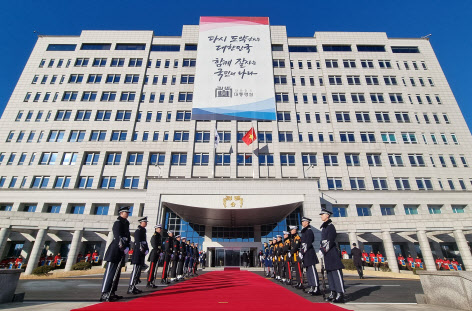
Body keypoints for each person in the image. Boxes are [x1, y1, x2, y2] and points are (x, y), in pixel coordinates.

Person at [100, 206, 131, 302]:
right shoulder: (118, 223)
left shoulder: (126, 223)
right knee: (110, 272)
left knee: (116, 273)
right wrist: (122, 246)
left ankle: (112, 292)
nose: (127, 214)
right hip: (115, 250)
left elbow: (128, 237)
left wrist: (127, 247)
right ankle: (104, 293)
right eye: (126, 212)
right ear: (121, 213)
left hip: (121, 250)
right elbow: (118, 236)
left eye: (128, 212)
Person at [319, 209, 345, 303]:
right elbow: (322, 241)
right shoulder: (324, 228)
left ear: (327, 215)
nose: (321, 216)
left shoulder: (330, 227)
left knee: (336, 274)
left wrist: (323, 250)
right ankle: (333, 292)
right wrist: (321, 249)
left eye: (322, 214)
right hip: (327, 254)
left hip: (332, 253)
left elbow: (330, 240)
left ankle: (340, 294)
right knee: (329, 274)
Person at [300, 217, 321, 296]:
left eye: (303, 221)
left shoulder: (309, 231)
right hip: (305, 254)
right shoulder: (304, 232)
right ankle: (312, 286)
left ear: (307, 222)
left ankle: (316, 287)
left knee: (312, 271)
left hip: (309, 253)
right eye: (302, 222)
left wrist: (303, 250)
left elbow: (308, 242)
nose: (302, 223)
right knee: (308, 272)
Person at [128, 216, 149, 294]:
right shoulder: (138, 231)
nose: (146, 223)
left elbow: (145, 242)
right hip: (138, 252)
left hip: (142, 253)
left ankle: (134, 286)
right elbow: (137, 242)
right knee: (135, 270)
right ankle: (131, 286)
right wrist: (142, 249)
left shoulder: (143, 231)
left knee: (138, 270)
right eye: (145, 222)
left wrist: (146, 249)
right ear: (141, 223)